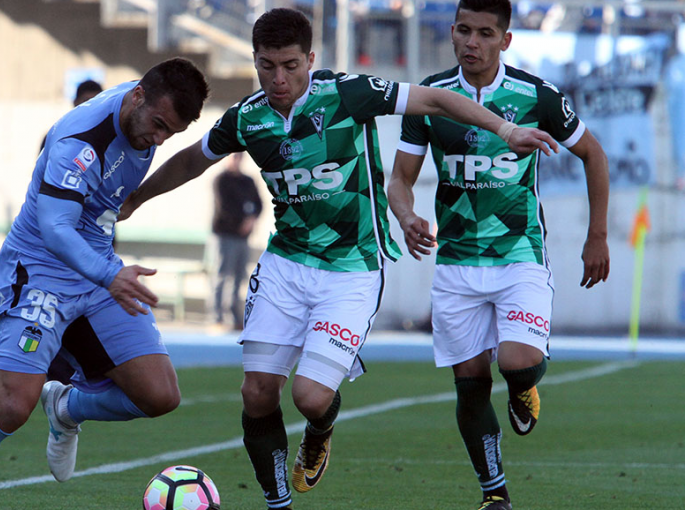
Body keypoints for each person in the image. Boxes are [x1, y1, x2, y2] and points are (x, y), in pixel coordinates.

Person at [120, 8, 557, 509]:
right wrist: (135, 199)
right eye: (266, 66)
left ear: (310, 58)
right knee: (257, 392)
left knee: (309, 397)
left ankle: (321, 425)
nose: (278, 79)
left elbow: (436, 98)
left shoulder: (347, 94)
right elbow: (193, 159)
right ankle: (278, 502)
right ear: (255, 61)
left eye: (289, 65)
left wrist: (505, 130)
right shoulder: (248, 118)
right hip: (285, 263)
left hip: (351, 268)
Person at [0, 58, 209, 509]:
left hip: (96, 268)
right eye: (157, 125)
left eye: (171, 132)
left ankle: (67, 407)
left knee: (159, 395)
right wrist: (111, 275)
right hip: (41, 272)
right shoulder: (80, 143)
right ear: (137, 97)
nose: (159, 139)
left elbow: (185, 157)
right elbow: (55, 229)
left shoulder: (147, 104)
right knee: (12, 406)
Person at [386, 2, 610, 509]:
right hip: (456, 263)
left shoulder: (536, 95)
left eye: (486, 33)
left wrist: (596, 235)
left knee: (516, 361)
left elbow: (593, 154)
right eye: (464, 30)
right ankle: (495, 495)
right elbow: (398, 179)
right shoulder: (431, 95)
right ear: (452, 32)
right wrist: (406, 216)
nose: (472, 42)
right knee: (469, 385)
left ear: (505, 40)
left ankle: (525, 385)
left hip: (519, 254)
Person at [211, 152, 263, 329]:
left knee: (239, 276)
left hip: (243, 238)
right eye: (234, 156)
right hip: (225, 235)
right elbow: (224, 207)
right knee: (222, 274)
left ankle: (234, 315)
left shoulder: (247, 181)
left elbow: (259, 204)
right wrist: (240, 221)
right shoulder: (221, 180)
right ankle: (217, 315)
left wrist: (250, 220)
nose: (236, 160)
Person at [40, 79, 105, 152]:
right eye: (86, 102)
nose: (91, 108)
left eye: (96, 102)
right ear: (75, 103)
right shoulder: (56, 136)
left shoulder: (111, 136)